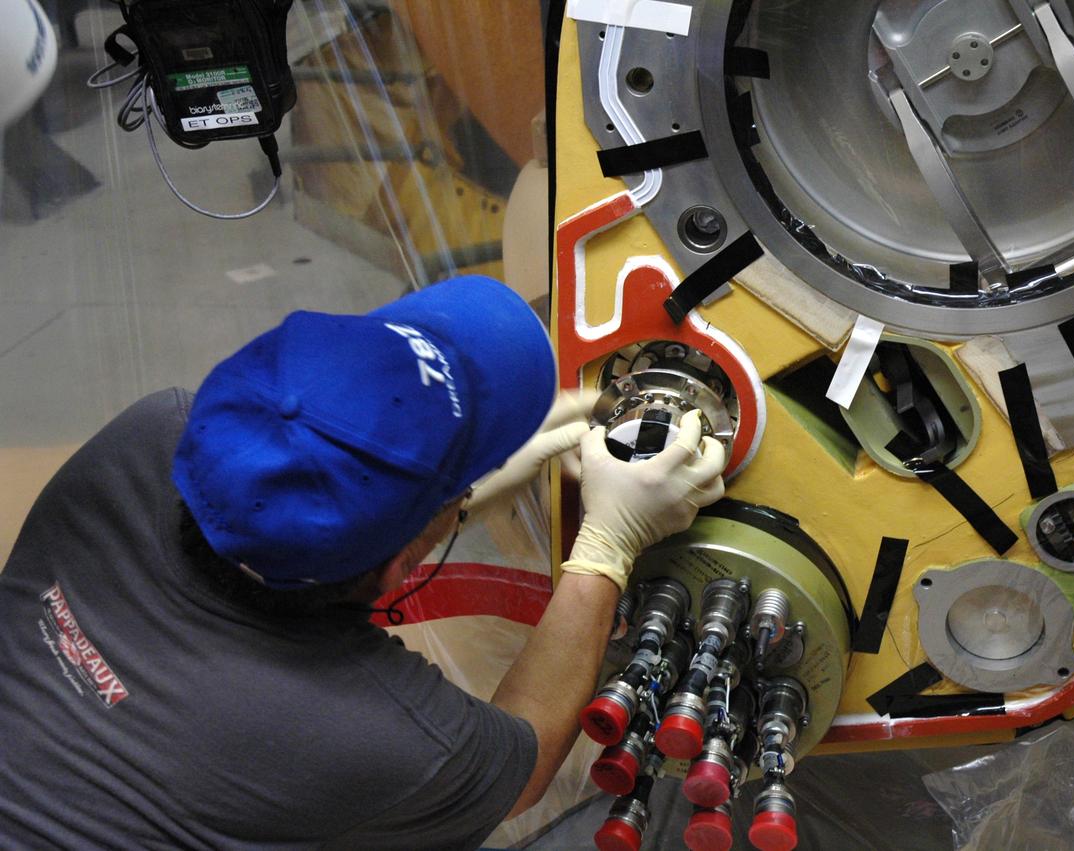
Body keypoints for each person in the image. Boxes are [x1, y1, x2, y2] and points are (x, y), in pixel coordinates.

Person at [0, 275, 727, 848]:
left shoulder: (143, 439)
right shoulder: (377, 731)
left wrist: (445, 500)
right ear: (399, 567)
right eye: (460, 485)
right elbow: (525, 760)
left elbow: (283, 509)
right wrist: (608, 543)